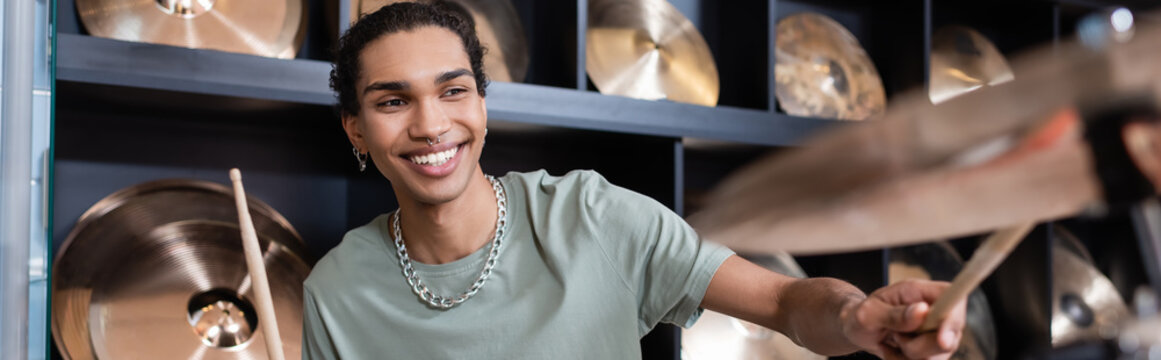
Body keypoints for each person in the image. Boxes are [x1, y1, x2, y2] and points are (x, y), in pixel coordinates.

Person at [302, 2, 966, 359]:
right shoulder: (334, 293)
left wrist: (854, 318)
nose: (430, 124)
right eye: (392, 102)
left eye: (453, 91)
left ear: (481, 103)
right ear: (355, 129)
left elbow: (784, 304)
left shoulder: (594, 218)